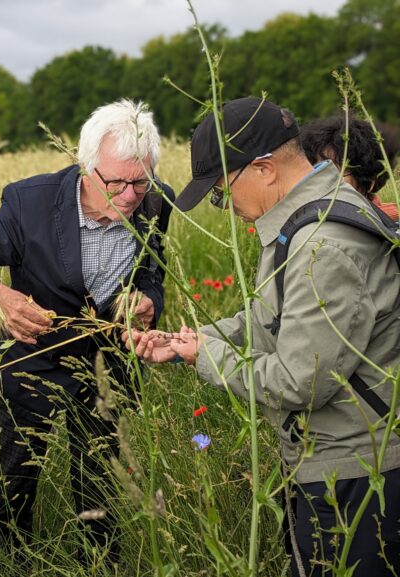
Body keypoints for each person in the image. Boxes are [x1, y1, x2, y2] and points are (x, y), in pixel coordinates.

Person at [125, 97, 400, 576]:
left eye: (219, 190)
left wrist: (205, 359)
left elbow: (301, 381)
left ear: (264, 169)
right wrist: (191, 341)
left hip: (357, 472)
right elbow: (270, 319)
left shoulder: (322, 246)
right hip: (331, 459)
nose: (223, 206)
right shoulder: (304, 219)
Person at [0, 99, 175, 566]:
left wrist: (147, 301)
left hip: (109, 368)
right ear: (86, 167)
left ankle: (98, 563)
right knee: (17, 479)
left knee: (100, 481)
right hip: (33, 362)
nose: (129, 196)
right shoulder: (30, 203)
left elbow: (153, 274)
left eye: (140, 182)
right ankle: (8, 562)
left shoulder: (156, 202)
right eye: (117, 182)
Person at [300, 114, 399, 220]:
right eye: (317, 169)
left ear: (369, 182)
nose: (322, 179)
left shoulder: (389, 229)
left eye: (335, 172)